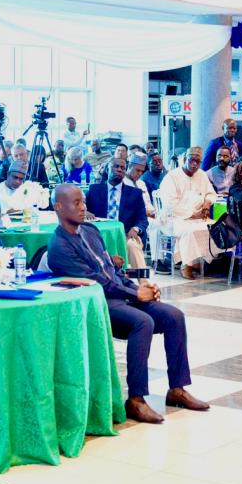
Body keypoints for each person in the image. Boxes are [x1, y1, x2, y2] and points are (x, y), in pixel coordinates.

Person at [47, 184, 209, 424]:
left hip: (121, 294)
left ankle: (177, 389)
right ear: (59, 207)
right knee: (143, 322)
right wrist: (135, 295)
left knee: (174, 316)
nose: (84, 208)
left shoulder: (90, 230)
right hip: (98, 304)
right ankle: (136, 399)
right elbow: (97, 283)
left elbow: (113, 272)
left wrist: (140, 288)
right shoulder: (59, 246)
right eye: (77, 203)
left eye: (83, 201)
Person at [158, 146, 218, 279]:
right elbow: (170, 205)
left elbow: (211, 193)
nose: (194, 164)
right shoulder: (172, 177)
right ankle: (187, 264)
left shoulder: (202, 175)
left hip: (198, 217)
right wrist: (191, 214)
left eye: (198, 161)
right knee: (189, 231)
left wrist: (207, 205)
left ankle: (199, 260)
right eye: (191, 160)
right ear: (184, 159)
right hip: (173, 218)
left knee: (214, 227)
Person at [86, 158, 149, 268]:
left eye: (123, 168)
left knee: (132, 245)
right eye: (116, 166)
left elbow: (142, 219)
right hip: (100, 235)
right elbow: (81, 208)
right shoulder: (94, 190)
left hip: (125, 234)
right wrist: (85, 212)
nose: (119, 170)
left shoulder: (135, 193)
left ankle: (142, 281)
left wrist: (135, 229)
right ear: (107, 169)